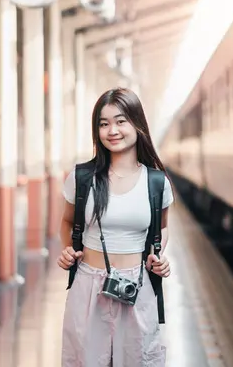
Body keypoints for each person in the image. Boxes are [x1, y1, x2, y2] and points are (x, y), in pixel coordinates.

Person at [58, 87, 174, 366]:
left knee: (138, 359)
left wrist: (158, 256)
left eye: (121, 121)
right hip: (88, 285)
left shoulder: (156, 182)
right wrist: (67, 250)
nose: (113, 130)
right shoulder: (82, 177)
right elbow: (67, 220)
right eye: (104, 123)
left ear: (137, 124)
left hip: (137, 285)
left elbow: (162, 228)